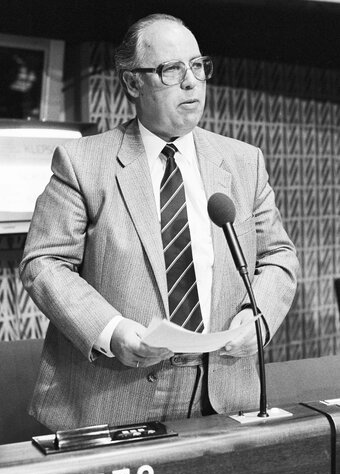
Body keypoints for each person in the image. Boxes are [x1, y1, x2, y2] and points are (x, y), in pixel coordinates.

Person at [20, 13, 299, 432]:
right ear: (133, 83)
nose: (191, 82)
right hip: (114, 393)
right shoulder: (81, 163)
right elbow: (44, 263)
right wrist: (110, 330)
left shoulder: (244, 162)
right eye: (172, 69)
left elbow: (278, 256)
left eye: (198, 66)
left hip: (223, 390)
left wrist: (256, 316)